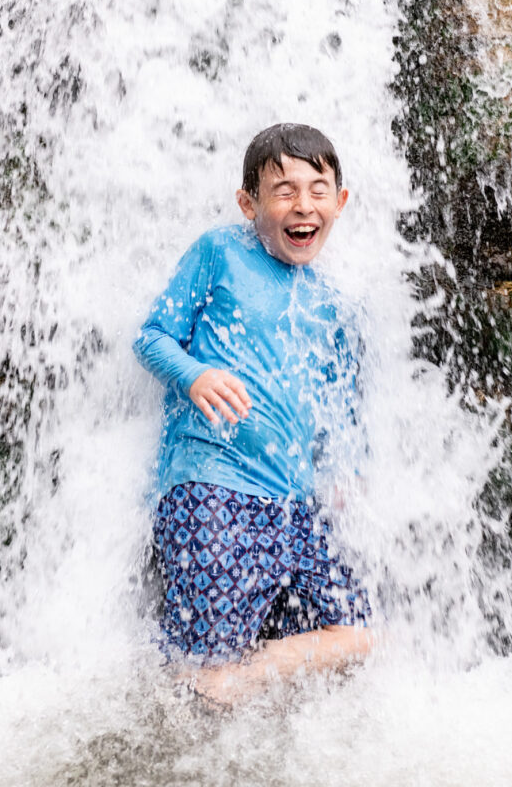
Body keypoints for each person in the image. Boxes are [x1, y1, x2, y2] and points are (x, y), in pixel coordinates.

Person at [133, 123, 373, 704]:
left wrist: (348, 473)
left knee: (362, 635)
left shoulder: (336, 305)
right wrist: (195, 375)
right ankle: (211, 694)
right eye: (284, 190)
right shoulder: (220, 252)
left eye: (318, 189)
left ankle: (247, 672)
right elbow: (152, 337)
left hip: (295, 505)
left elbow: (341, 407)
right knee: (205, 664)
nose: (303, 204)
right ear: (249, 204)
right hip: (211, 486)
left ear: (339, 203)